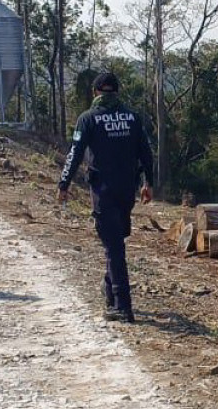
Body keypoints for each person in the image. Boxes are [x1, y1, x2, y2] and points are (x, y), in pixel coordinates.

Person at [58, 72, 153, 323]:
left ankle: (123, 306)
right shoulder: (132, 118)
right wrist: (148, 183)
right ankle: (109, 288)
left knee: (114, 246)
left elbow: (75, 153)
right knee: (115, 241)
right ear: (117, 92)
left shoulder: (88, 119)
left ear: (95, 93)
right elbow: (146, 152)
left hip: (103, 191)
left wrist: (64, 183)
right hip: (126, 191)